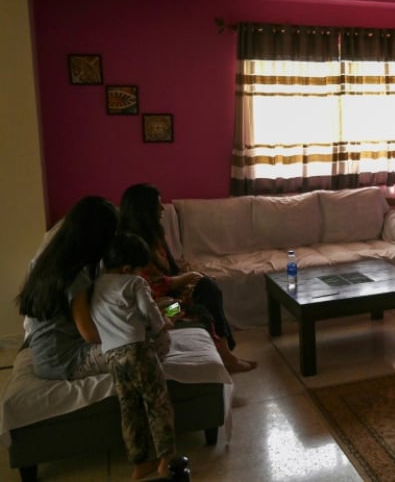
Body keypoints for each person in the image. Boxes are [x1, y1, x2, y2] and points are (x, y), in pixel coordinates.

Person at [118, 183, 256, 373]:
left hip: (173, 294)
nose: (162, 209)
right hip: (163, 309)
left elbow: (170, 269)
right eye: (157, 205)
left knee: (207, 287)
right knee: (202, 305)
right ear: (144, 210)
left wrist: (189, 272)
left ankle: (226, 355)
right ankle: (227, 357)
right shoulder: (134, 245)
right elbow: (156, 286)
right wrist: (190, 275)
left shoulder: (154, 234)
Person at [90, 232, 178, 480]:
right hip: (137, 351)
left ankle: (140, 463)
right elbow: (149, 313)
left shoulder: (95, 284)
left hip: (111, 356)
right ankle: (165, 460)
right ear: (128, 267)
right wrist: (163, 324)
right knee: (157, 404)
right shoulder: (135, 283)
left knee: (129, 409)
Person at [17, 196, 118, 380]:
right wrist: (124, 334)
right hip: (66, 361)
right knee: (144, 347)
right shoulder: (76, 274)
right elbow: (89, 334)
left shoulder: (50, 261)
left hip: (46, 357)